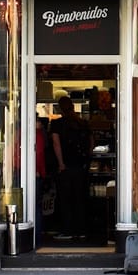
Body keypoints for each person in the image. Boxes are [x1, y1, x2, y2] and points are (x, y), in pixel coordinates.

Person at [51, 96, 89, 238]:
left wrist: (61, 163)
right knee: (79, 198)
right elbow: (91, 142)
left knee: (65, 199)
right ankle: (82, 230)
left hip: (65, 167)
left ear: (60, 108)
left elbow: (56, 144)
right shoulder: (82, 123)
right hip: (80, 165)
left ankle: (67, 230)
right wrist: (86, 159)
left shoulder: (57, 124)